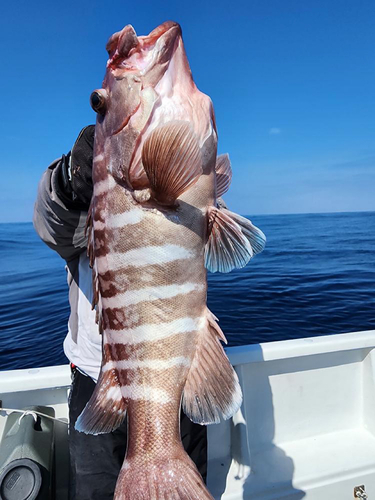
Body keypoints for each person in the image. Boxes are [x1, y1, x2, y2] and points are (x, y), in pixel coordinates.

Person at [33, 126, 207, 500]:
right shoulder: (87, 211)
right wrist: (68, 178)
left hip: (177, 377)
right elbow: (50, 222)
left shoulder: (186, 191)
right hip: (97, 382)